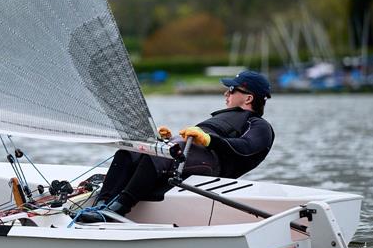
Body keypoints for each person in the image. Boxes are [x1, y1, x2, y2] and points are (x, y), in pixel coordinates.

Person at [79, 70, 275, 222]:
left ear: (248, 98)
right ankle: (102, 203)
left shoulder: (259, 125)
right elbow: (192, 145)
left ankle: (118, 209)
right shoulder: (227, 117)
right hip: (191, 156)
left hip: (214, 168)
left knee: (165, 154)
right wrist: (167, 139)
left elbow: (246, 147)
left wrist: (207, 140)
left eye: (231, 89)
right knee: (130, 151)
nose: (226, 93)